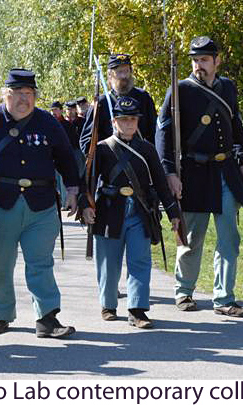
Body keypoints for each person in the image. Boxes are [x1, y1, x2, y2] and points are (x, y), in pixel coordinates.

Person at [0, 68, 80, 338]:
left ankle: (47, 319)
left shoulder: (47, 122)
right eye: (18, 93)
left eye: (29, 93)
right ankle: (0, 315)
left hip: (41, 206)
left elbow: (66, 158)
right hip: (0, 204)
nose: (24, 99)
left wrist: (73, 189)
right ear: (5, 94)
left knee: (41, 263)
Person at [155, 36, 243, 317]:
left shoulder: (227, 87)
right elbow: (163, 134)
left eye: (204, 60)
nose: (199, 65)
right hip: (194, 173)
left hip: (226, 171)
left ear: (216, 61)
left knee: (229, 238)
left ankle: (224, 298)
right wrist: (169, 173)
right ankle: (184, 292)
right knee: (191, 237)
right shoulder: (179, 90)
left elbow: (236, 125)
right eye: (195, 60)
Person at [81, 97, 179, 328]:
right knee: (108, 263)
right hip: (108, 211)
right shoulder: (101, 148)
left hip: (140, 211)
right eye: (123, 119)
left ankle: (137, 310)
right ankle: (108, 305)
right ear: (114, 122)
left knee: (140, 261)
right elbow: (87, 180)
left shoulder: (147, 149)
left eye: (132, 119)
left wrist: (173, 212)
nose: (128, 124)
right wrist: (86, 206)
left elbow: (161, 183)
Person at [79, 54, 157, 153]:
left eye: (127, 71)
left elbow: (154, 133)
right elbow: (86, 142)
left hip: (140, 157)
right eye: (119, 72)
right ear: (110, 74)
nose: (124, 76)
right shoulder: (101, 103)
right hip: (111, 159)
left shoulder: (143, 97)